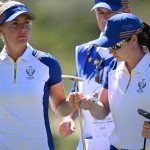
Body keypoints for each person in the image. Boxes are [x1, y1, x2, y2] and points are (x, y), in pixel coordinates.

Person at [69, 13, 150, 150]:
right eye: (108, 46)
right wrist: (92, 104)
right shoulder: (113, 66)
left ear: (134, 39)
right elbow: (103, 110)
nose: (111, 51)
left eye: (115, 45)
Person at [0, 1, 73, 150]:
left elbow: (60, 106)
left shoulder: (47, 63)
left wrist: (72, 104)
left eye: (26, 22)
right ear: (1, 29)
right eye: (15, 23)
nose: (23, 28)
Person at [59, 0, 132, 150]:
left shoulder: (137, 53)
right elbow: (77, 92)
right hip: (91, 143)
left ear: (127, 12)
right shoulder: (83, 52)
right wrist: (69, 118)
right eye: (100, 13)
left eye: (110, 12)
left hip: (125, 142)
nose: (105, 19)